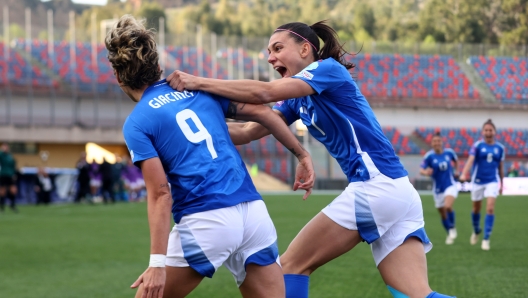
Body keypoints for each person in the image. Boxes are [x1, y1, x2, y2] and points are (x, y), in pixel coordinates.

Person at [167, 20, 454, 298]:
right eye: (269, 52)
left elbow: (264, 92)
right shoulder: (297, 98)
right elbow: (248, 131)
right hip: (397, 190)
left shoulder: (327, 70)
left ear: (305, 49)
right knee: (415, 295)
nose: (270, 57)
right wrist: (187, 126)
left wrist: (196, 82)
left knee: (291, 266)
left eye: (277, 48)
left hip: (376, 186)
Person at [105, 15, 314, 298]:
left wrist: (157, 263)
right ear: (158, 67)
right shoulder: (199, 91)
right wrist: (301, 154)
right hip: (253, 213)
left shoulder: (137, 122)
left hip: (207, 217)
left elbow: (160, 193)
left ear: (118, 77)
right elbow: (264, 113)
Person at [460, 119, 504, 251]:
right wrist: (463, 174)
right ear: (482, 132)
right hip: (478, 181)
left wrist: (502, 183)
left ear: (494, 132)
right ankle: (476, 230)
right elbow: (470, 160)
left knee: (490, 208)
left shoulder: (500, 148)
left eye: (490, 130)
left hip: (492, 181)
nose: (488, 132)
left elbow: (501, 167)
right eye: (486, 130)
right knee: (476, 209)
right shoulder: (477, 146)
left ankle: (486, 239)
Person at [419, 133, 459, 245]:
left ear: (442, 142)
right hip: (437, 189)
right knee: (442, 213)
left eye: (438, 141)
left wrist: (457, 171)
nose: (437, 143)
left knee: (448, 206)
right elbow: (421, 170)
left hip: (450, 185)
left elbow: (456, 161)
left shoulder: (449, 153)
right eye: (434, 141)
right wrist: (426, 172)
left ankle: (452, 226)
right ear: (432, 143)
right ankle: (449, 232)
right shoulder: (429, 156)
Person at [0, 143, 18, 213]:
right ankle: (2, 206)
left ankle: (12, 205)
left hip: (10, 175)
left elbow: (14, 165)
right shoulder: (1, 155)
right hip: (3, 174)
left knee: (13, 190)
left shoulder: (10, 156)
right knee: (2, 190)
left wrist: (14, 173)